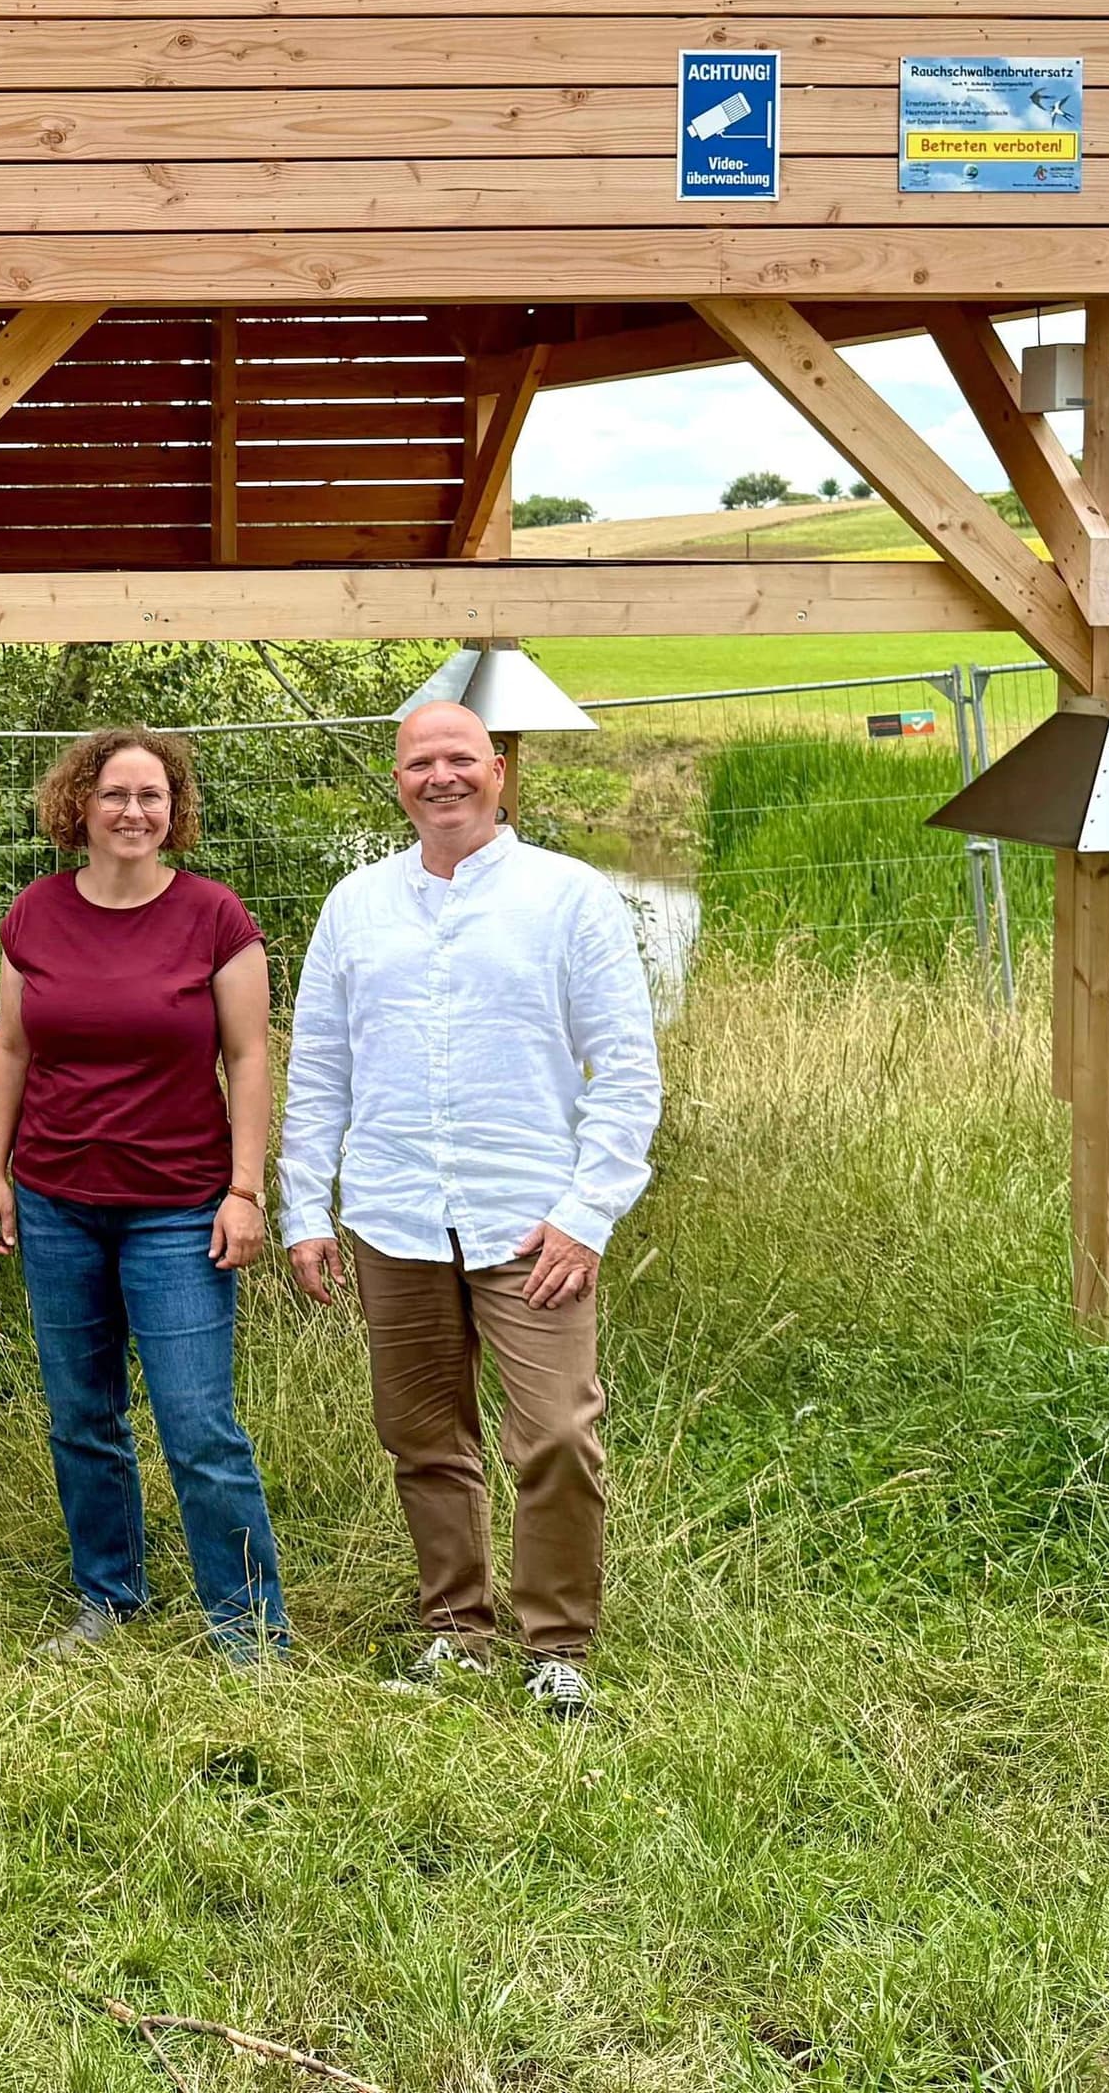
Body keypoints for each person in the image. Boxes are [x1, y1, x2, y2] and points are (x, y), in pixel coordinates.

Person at [278, 699, 660, 1719]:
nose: (439, 777)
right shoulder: (355, 907)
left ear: (498, 771)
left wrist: (588, 1215)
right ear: (396, 780)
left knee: (558, 1436)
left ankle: (558, 1645)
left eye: (460, 759)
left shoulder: (569, 899)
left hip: (529, 1220)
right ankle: (456, 1629)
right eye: (418, 763)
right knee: (423, 1437)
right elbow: (319, 1066)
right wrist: (304, 1208)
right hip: (394, 1214)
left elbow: (627, 1070)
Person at [0, 727, 289, 1659]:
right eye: (116, 794)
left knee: (198, 1424)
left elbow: (250, 1056)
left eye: (153, 797)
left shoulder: (214, 918)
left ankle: (248, 1627)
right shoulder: (34, 915)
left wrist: (245, 1190)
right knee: (82, 1415)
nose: (134, 812)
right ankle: (109, 1598)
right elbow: (12, 1049)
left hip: (180, 1208)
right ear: (82, 806)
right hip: (56, 1199)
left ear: (174, 811)